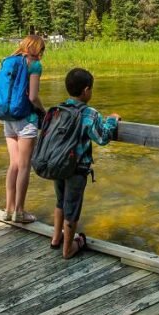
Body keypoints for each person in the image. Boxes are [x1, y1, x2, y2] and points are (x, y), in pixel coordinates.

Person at [49, 68, 120, 258]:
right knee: (72, 207)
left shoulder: (59, 109)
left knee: (60, 201)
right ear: (86, 90)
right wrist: (112, 120)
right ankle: (68, 249)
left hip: (57, 164)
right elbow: (103, 138)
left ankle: (56, 239)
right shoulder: (89, 113)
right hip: (77, 168)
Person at [0, 35, 47, 224]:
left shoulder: (8, 61)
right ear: (37, 49)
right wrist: (44, 111)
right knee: (25, 166)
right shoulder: (33, 64)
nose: (42, 54)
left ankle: (8, 209)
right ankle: (20, 211)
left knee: (14, 165)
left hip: (7, 117)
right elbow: (33, 96)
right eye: (42, 50)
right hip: (25, 119)